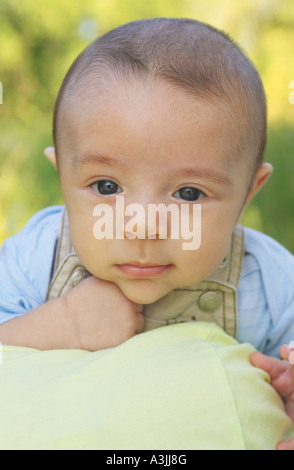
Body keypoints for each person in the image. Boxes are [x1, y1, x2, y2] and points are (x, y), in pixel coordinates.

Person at [0, 18, 294, 449]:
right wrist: (61, 324)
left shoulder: (269, 279)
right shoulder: (36, 257)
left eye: (189, 193)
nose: (143, 224)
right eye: (106, 187)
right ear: (62, 178)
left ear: (248, 192)